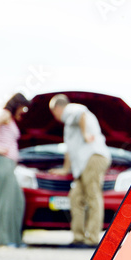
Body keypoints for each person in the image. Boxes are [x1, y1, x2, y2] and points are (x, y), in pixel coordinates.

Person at [49, 94, 111, 247]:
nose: (55, 116)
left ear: (57, 108)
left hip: (94, 157)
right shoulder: (68, 126)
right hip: (82, 165)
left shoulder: (70, 109)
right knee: (75, 197)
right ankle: (78, 237)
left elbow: (81, 113)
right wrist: (65, 169)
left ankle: (92, 239)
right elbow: (69, 149)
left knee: (93, 195)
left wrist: (84, 134)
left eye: (53, 112)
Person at [0, 93, 29, 248]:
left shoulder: (10, 119)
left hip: (9, 165)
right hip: (2, 163)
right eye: (23, 108)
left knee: (17, 201)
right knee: (5, 202)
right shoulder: (5, 114)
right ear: (17, 105)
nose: (23, 112)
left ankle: (14, 239)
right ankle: (1, 240)